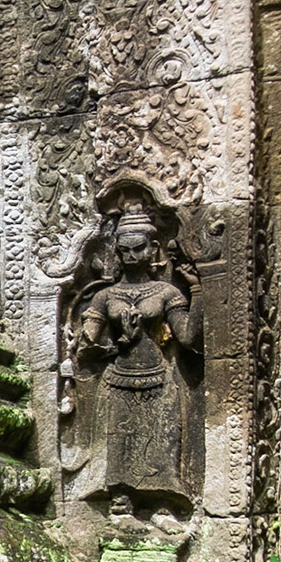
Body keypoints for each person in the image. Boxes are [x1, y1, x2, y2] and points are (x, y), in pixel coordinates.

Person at [77, 204, 199, 512]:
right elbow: (86, 347)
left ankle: (162, 503)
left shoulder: (165, 292)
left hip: (158, 378)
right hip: (118, 380)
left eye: (138, 249)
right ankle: (122, 502)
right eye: (124, 250)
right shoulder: (106, 297)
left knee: (161, 446)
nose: (131, 256)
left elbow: (188, 337)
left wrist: (197, 291)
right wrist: (116, 341)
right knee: (119, 447)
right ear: (116, 252)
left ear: (153, 248)